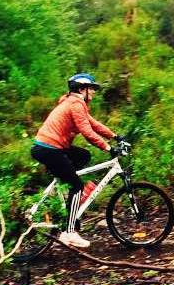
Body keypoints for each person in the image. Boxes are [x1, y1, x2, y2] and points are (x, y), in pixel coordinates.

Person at [31, 73, 116, 248]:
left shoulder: (73, 103)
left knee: (83, 156)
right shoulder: (75, 104)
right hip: (50, 149)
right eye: (91, 88)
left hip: (50, 147)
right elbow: (87, 132)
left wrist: (115, 136)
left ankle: (65, 192)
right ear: (81, 89)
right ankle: (69, 233)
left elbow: (94, 124)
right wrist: (108, 148)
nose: (93, 92)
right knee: (77, 185)